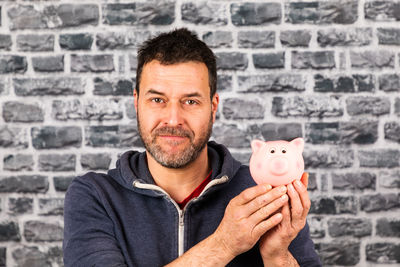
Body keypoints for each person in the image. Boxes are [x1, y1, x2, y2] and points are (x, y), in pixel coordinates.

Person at [63, 28, 322, 267]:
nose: (173, 119)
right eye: (157, 99)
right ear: (136, 102)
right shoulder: (95, 195)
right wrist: (224, 244)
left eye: (190, 101)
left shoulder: (262, 194)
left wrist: (277, 254)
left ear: (213, 106)